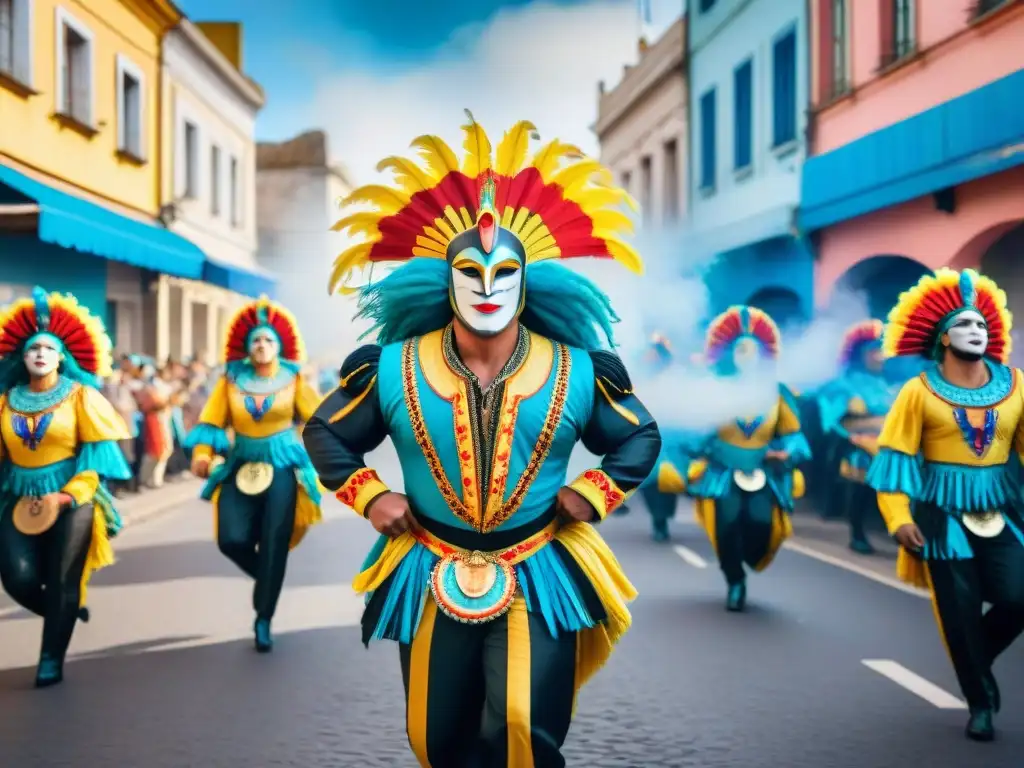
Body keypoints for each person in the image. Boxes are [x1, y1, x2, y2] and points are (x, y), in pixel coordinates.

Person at [303, 115, 661, 767]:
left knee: (523, 727)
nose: (489, 287)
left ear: (529, 284)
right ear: (447, 281)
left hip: (540, 567)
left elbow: (638, 438)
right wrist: (369, 495)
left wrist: (593, 492)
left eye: (504, 273)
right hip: (429, 565)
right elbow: (325, 430)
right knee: (437, 740)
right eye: (471, 271)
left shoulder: (579, 368)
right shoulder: (389, 366)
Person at [866, 268, 1024, 742]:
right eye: (965, 325)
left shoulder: (1017, 385)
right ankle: (980, 703)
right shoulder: (918, 391)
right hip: (940, 520)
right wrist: (898, 519)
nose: (976, 331)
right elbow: (893, 463)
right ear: (942, 337)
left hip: (1002, 512)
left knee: (1018, 598)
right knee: (959, 612)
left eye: (981, 325)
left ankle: (978, 662)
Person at [0, 287, 131, 687]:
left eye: (48, 348)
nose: (40, 353)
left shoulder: (81, 396)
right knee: (17, 577)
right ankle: (64, 613)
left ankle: (50, 659)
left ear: (61, 357)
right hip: (19, 497)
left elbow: (97, 461)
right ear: (21, 358)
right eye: (32, 348)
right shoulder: (6, 401)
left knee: (63, 579)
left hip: (74, 498)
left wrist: (67, 495)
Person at [184, 296, 324, 653]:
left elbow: (318, 419)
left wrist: (324, 449)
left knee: (274, 542)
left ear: (280, 346)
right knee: (231, 540)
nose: (262, 345)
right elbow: (212, 422)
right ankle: (270, 576)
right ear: (246, 345)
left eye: (269, 340)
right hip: (239, 464)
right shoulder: (231, 380)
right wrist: (202, 454)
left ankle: (263, 618)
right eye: (257, 340)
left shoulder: (294, 379)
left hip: (281, 467)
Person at [685, 306, 810, 611]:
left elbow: (794, 435)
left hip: (762, 472)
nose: (747, 354)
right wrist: (701, 440)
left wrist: (786, 452)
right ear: (729, 353)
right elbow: (694, 433)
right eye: (740, 348)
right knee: (726, 525)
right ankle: (735, 580)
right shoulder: (715, 390)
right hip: (722, 471)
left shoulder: (778, 392)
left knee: (758, 522)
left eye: (753, 349)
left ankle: (747, 559)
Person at [816, 320, 897, 554]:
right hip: (858, 447)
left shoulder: (886, 385)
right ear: (860, 355)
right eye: (873, 351)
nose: (879, 357)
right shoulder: (844, 385)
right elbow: (837, 421)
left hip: (891, 445)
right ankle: (857, 533)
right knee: (861, 488)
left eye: (882, 351)